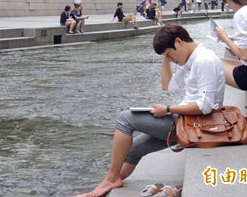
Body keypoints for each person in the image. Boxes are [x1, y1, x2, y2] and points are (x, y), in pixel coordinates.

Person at [76, 25, 225, 197]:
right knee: (134, 149)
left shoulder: (204, 60)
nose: (170, 59)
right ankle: (106, 186)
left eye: (169, 54)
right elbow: (166, 85)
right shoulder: (193, 59)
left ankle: (110, 178)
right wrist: (165, 55)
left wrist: (168, 109)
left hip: (196, 125)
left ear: (179, 42)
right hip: (188, 123)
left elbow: (205, 107)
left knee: (125, 119)